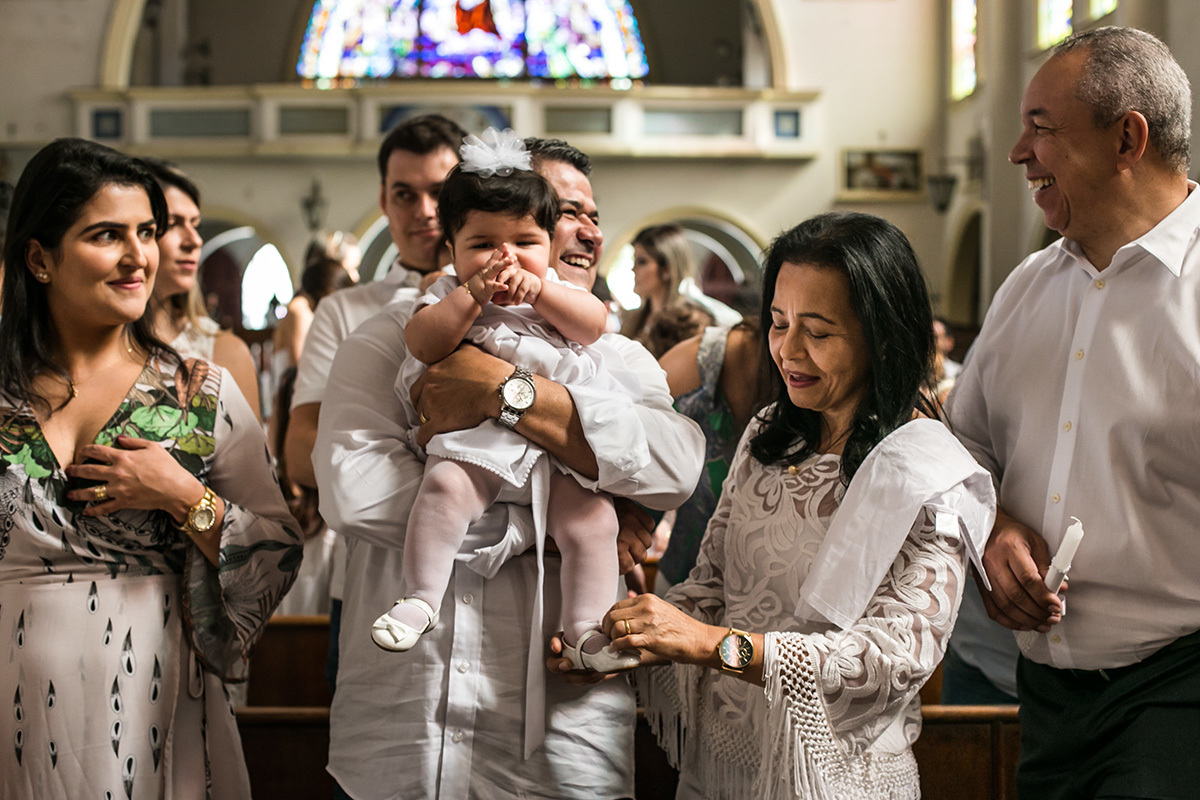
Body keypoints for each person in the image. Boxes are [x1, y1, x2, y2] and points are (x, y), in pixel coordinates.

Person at [314, 135, 703, 799]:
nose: (575, 228)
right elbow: (356, 494)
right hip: (406, 724)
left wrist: (507, 391)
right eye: (558, 209)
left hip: (565, 730)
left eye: (585, 213)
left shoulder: (617, 356)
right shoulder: (389, 336)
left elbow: (672, 469)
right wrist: (565, 521)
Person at [602, 212, 996, 800]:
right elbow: (711, 588)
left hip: (836, 777)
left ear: (882, 333)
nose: (788, 351)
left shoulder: (926, 468)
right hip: (725, 761)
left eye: (818, 331)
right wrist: (626, 633)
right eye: (779, 324)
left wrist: (710, 645)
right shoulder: (769, 433)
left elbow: (893, 659)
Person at [0, 138, 301, 798]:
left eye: (146, 233)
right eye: (107, 235)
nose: (139, 256)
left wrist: (184, 496)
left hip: (151, 698)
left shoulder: (200, 393)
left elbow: (278, 549)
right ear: (39, 257)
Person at [946, 26, 1200, 798]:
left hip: (1178, 690)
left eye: (1042, 129)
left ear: (1128, 138)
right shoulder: (1027, 287)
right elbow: (962, 449)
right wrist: (990, 526)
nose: (1019, 153)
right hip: (1045, 692)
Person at [372, 130, 640, 673]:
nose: (505, 258)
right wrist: (470, 297)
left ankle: (585, 631)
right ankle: (421, 597)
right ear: (451, 251)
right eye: (481, 246)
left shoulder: (560, 295)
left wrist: (541, 291)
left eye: (524, 242)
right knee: (443, 489)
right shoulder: (447, 294)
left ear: (548, 243)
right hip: (479, 445)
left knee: (595, 523)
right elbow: (423, 343)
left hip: (559, 451)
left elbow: (594, 328)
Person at [283, 114, 465, 693]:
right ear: (384, 203)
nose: (424, 211)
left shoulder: (514, 300)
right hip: (370, 574)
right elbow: (301, 452)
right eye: (405, 194)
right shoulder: (344, 310)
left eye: (440, 192)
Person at [652, 320, 769, 595]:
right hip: (679, 597)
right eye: (782, 322)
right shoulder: (701, 363)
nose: (794, 349)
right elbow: (633, 482)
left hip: (779, 628)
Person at [141, 158, 262, 418]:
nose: (194, 240)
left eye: (195, 225)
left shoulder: (224, 352)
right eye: (173, 224)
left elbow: (252, 459)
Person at [620, 223, 738, 358]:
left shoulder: (689, 323)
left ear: (667, 268)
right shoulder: (634, 319)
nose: (633, 269)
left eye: (641, 261)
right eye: (633, 261)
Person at [272, 232, 361, 376]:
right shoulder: (300, 310)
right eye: (351, 268)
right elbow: (300, 372)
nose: (356, 277)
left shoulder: (317, 308)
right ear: (330, 268)